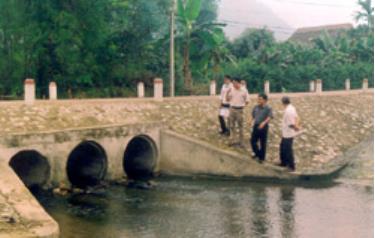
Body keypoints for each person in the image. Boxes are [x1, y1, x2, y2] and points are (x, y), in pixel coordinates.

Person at [279, 96, 300, 171]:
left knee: (288, 150)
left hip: (288, 133)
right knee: (282, 147)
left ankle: (291, 166)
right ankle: (283, 162)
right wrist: (297, 126)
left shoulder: (288, 111)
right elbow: (297, 117)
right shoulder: (292, 108)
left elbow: (290, 124)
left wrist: (296, 128)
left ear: (283, 102)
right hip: (287, 133)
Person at [250, 93, 273, 162]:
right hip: (256, 125)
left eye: (260, 99)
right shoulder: (256, 107)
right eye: (258, 99)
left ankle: (261, 158)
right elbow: (253, 115)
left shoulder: (268, 108)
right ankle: (258, 153)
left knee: (263, 142)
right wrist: (251, 121)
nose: (258, 100)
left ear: (265, 100)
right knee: (252, 141)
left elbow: (269, 117)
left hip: (264, 127)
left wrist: (263, 123)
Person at [226, 77, 249, 147]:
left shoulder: (244, 90)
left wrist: (242, 106)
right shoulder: (232, 89)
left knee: (240, 126)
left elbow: (247, 100)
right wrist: (227, 93)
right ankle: (232, 140)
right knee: (231, 126)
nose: (233, 84)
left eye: (234, 83)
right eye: (232, 83)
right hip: (232, 109)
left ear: (238, 83)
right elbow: (227, 99)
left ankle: (241, 142)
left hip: (240, 109)